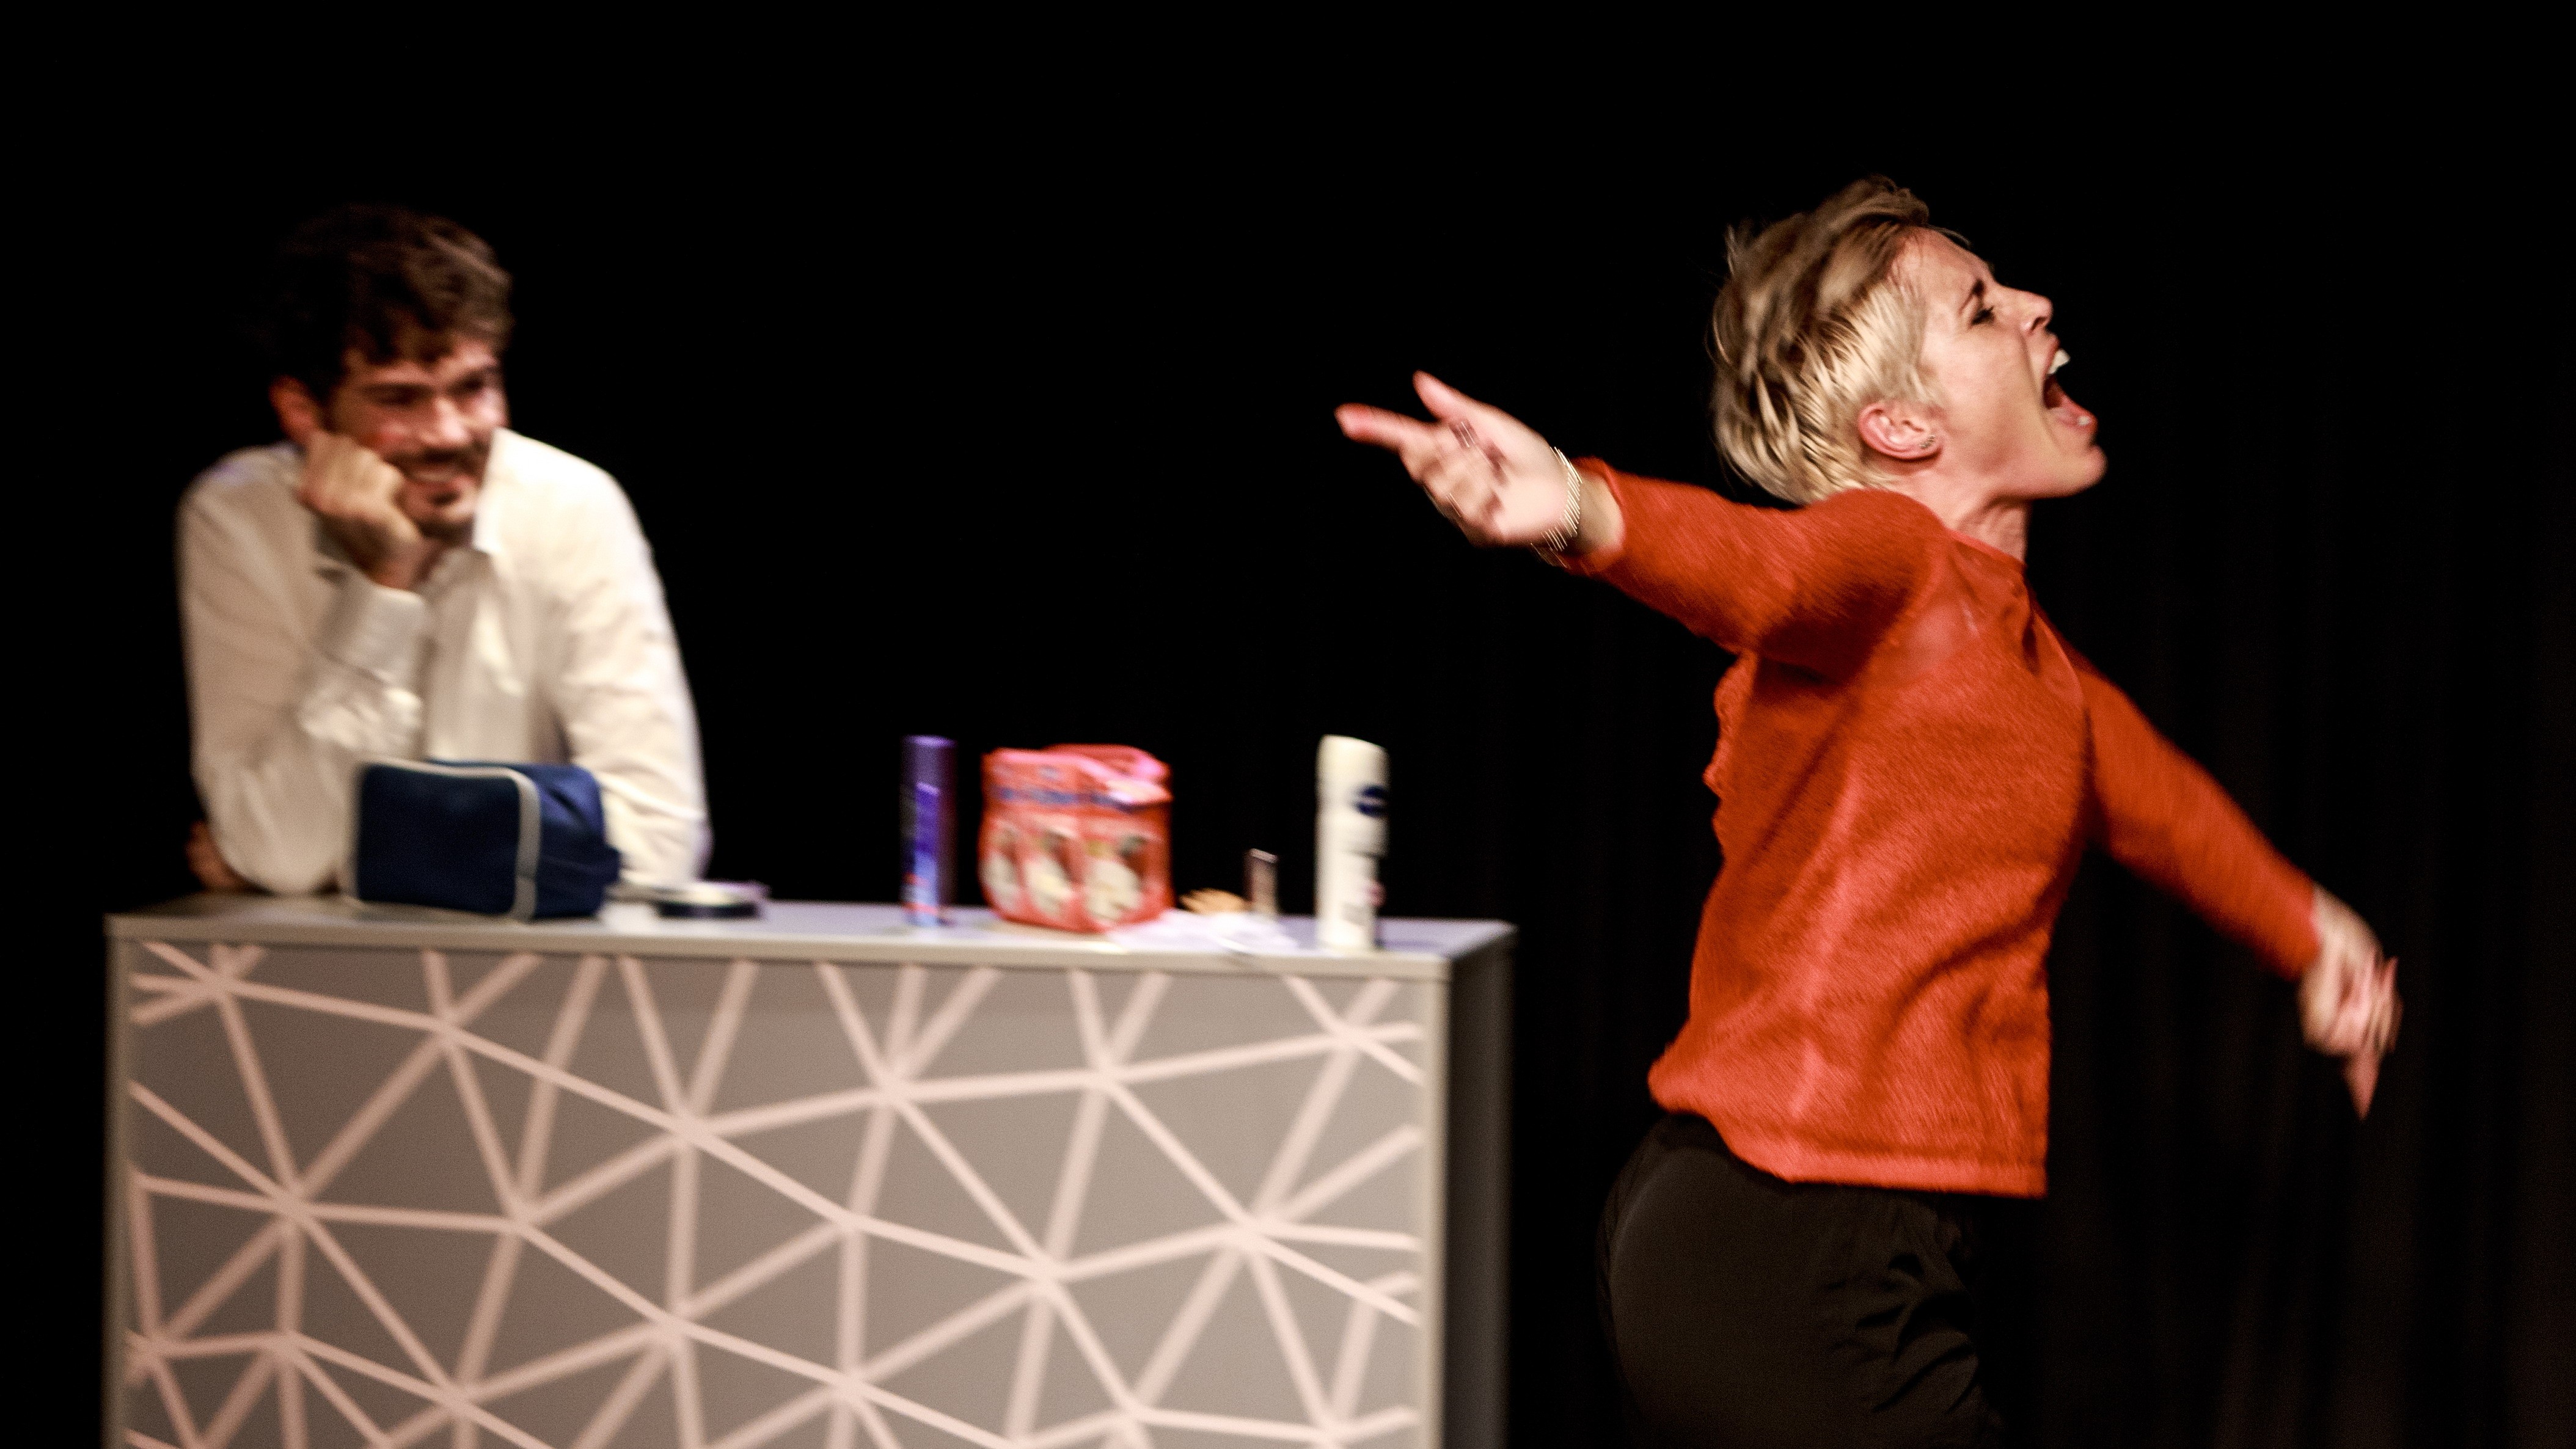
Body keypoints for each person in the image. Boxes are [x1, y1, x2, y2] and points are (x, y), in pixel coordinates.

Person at [1337, 179, 2399, 1447]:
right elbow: (1761, 568)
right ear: (1899, 426)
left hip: (1786, 1235)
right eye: (1981, 308)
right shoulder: (1894, 561)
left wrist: (2314, 936)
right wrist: (1575, 506)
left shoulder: (2034, 669)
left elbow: (2162, 806)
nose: (2034, 304)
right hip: (1790, 1237)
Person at [181, 205, 708, 895]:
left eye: (473, 388)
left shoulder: (572, 506)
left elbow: (658, 841)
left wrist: (362, 861)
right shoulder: (240, 515)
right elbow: (282, 851)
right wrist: (383, 586)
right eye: (400, 399)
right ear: (303, 413)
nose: (450, 434)